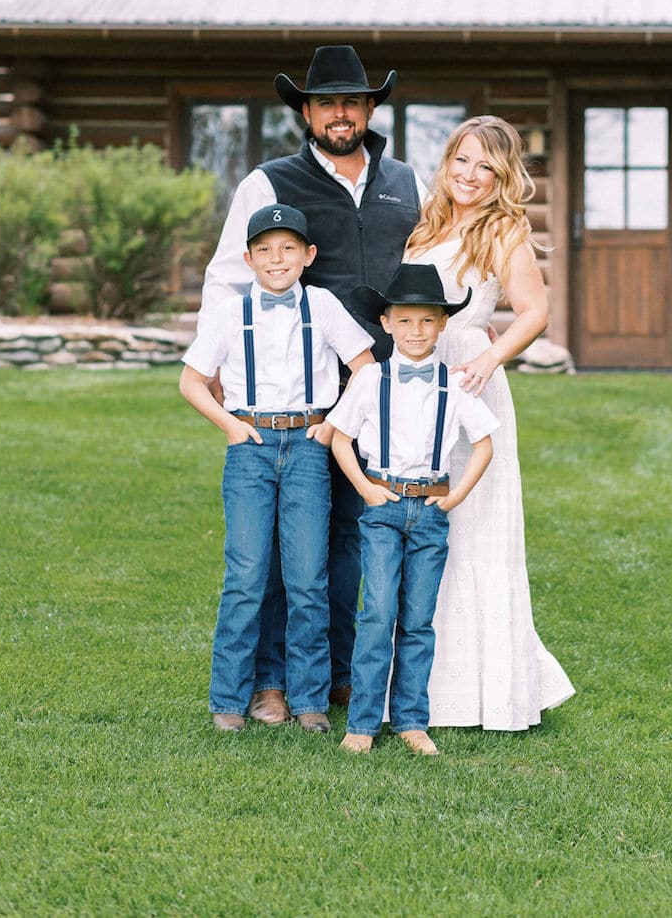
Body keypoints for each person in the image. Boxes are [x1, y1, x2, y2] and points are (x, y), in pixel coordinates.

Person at [197, 46, 422, 717]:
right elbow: (227, 277)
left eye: (353, 101)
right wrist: (210, 372)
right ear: (306, 111)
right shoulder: (269, 183)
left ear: (371, 108)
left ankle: (340, 675)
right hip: (299, 397)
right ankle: (269, 682)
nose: (341, 114)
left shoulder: (407, 183)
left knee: (357, 537)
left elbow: (431, 270)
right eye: (327, 102)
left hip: (381, 388)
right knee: (277, 549)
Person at [405, 116, 575, 730]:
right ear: (447, 161)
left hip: (470, 376)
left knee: (471, 524)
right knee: (421, 523)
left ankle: (487, 690)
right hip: (417, 376)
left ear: (502, 177)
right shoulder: (426, 223)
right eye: (462, 161)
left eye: (486, 167)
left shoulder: (502, 229)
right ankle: (418, 683)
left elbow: (535, 312)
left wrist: (488, 355)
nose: (471, 177)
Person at [180, 204, 375, 732]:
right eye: (264, 249)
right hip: (251, 445)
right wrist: (230, 425)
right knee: (246, 573)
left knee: (308, 574)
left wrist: (332, 425)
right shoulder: (230, 312)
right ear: (248, 258)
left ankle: (309, 698)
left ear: (308, 255)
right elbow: (191, 381)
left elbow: (365, 368)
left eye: (288, 247)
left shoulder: (323, 305)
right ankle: (229, 697)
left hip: (309, 447)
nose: (276, 258)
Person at [328, 264, 498, 755]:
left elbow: (484, 444)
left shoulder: (454, 384)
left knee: (418, 620)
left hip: (429, 513)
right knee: (377, 614)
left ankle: (410, 720)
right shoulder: (370, 380)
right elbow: (341, 439)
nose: (416, 331)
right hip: (382, 508)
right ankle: (361, 724)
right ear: (386, 323)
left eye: (427, 321)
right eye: (405, 321)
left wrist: (455, 496)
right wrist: (364, 488)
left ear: (443, 324)